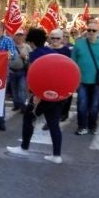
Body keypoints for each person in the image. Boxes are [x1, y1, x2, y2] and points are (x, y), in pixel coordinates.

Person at [7, 28, 66, 163]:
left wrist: (32, 95)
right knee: (53, 124)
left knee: (28, 118)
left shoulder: (34, 55)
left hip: (40, 94)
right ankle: (57, 155)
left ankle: (24, 147)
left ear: (32, 42)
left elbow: (32, 76)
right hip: (56, 93)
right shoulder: (52, 52)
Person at [70, 21, 99, 136]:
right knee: (82, 104)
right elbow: (72, 62)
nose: (90, 32)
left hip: (98, 81)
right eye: (89, 30)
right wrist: (71, 79)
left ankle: (92, 126)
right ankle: (82, 126)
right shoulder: (79, 44)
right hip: (81, 81)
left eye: (93, 30)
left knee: (95, 105)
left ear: (98, 32)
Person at [9, 29, 30, 111]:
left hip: (22, 71)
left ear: (24, 36)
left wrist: (25, 57)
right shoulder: (11, 46)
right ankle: (16, 104)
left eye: (21, 35)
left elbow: (31, 58)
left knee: (21, 88)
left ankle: (23, 105)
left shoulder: (27, 47)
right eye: (17, 35)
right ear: (14, 36)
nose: (19, 37)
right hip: (11, 71)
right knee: (14, 89)